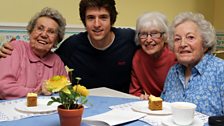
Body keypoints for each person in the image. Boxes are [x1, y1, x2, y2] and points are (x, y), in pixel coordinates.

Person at [0, 0, 137, 93]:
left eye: (103, 17)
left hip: (124, 105)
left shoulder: (129, 38)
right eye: (90, 18)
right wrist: (7, 51)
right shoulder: (73, 45)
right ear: (84, 21)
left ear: (112, 20)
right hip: (86, 107)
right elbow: (46, 56)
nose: (96, 24)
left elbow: (153, 47)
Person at [161, 12, 224, 116]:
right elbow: (164, 108)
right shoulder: (173, 71)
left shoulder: (220, 71)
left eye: (190, 37)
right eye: (177, 39)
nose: (182, 44)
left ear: (205, 43)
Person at [0, 7, 67, 99]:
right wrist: (37, 91)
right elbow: (3, 88)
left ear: (56, 40)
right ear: (31, 32)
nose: (44, 35)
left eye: (51, 32)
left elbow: (65, 92)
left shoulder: (57, 61)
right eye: (40, 28)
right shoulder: (15, 48)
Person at [129, 12, 176, 100]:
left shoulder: (174, 56)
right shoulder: (138, 57)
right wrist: (141, 97)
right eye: (143, 34)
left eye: (154, 34)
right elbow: (134, 92)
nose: (149, 40)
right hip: (149, 105)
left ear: (164, 36)